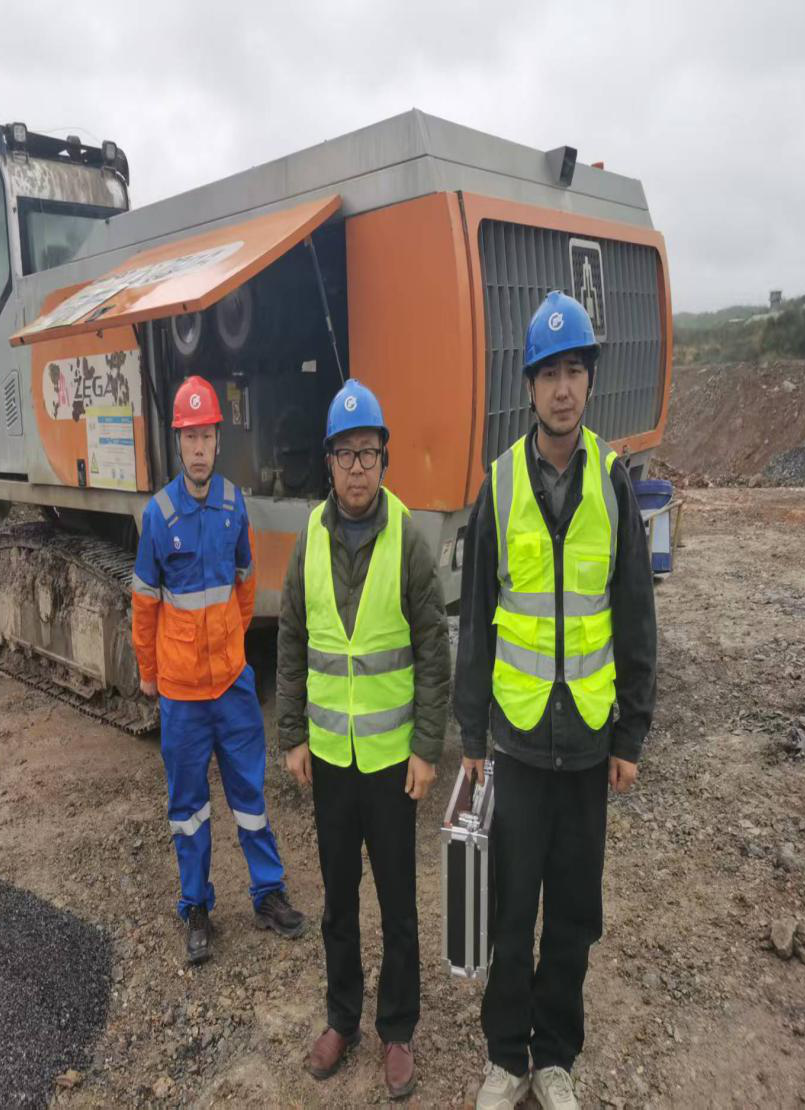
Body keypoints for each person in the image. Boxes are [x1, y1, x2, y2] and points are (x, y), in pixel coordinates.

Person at [455, 292, 657, 1110]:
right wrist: (472, 734)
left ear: (589, 381)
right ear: (529, 387)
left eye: (575, 370)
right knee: (511, 913)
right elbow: (476, 618)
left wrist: (630, 736)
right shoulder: (500, 484)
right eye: (549, 374)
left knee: (574, 913)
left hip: (587, 745)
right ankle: (507, 1059)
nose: (563, 388)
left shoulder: (612, 480)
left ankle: (555, 1058)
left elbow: (635, 613)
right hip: (518, 739)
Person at [277, 379, 451, 1100]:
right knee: (338, 902)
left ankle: (398, 1029)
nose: (357, 466)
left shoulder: (407, 537)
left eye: (368, 453)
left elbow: (434, 648)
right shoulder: (309, 540)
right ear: (329, 462)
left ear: (384, 459)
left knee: (398, 904)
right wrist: (292, 734)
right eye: (345, 453)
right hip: (329, 758)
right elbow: (292, 639)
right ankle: (342, 1018)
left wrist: (427, 747)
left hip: (389, 763)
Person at [132, 374, 305, 964]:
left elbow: (246, 585)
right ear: (178, 443)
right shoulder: (159, 516)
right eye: (190, 437)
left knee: (250, 796)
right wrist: (150, 670)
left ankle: (268, 894)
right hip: (182, 696)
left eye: (207, 435)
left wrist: (230, 644)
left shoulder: (234, 506)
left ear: (218, 440)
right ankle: (196, 907)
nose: (200, 448)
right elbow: (144, 603)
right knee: (189, 810)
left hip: (231, 686)